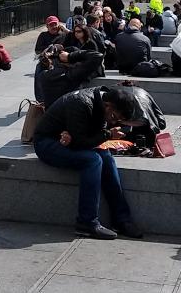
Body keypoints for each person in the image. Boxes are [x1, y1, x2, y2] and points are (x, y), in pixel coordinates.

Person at [31, 86, 144, 239]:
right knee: (93, 160)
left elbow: (87, 138)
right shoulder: (81, 103)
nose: (114, 121)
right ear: (108, 105)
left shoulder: (102, 102)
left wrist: (106, 133)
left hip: (69, 141)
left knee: (107, 158)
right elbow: (80, 143)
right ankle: (86, 222)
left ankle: (121, 219)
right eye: (114, 117)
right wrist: (108, 134)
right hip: (47, 143)